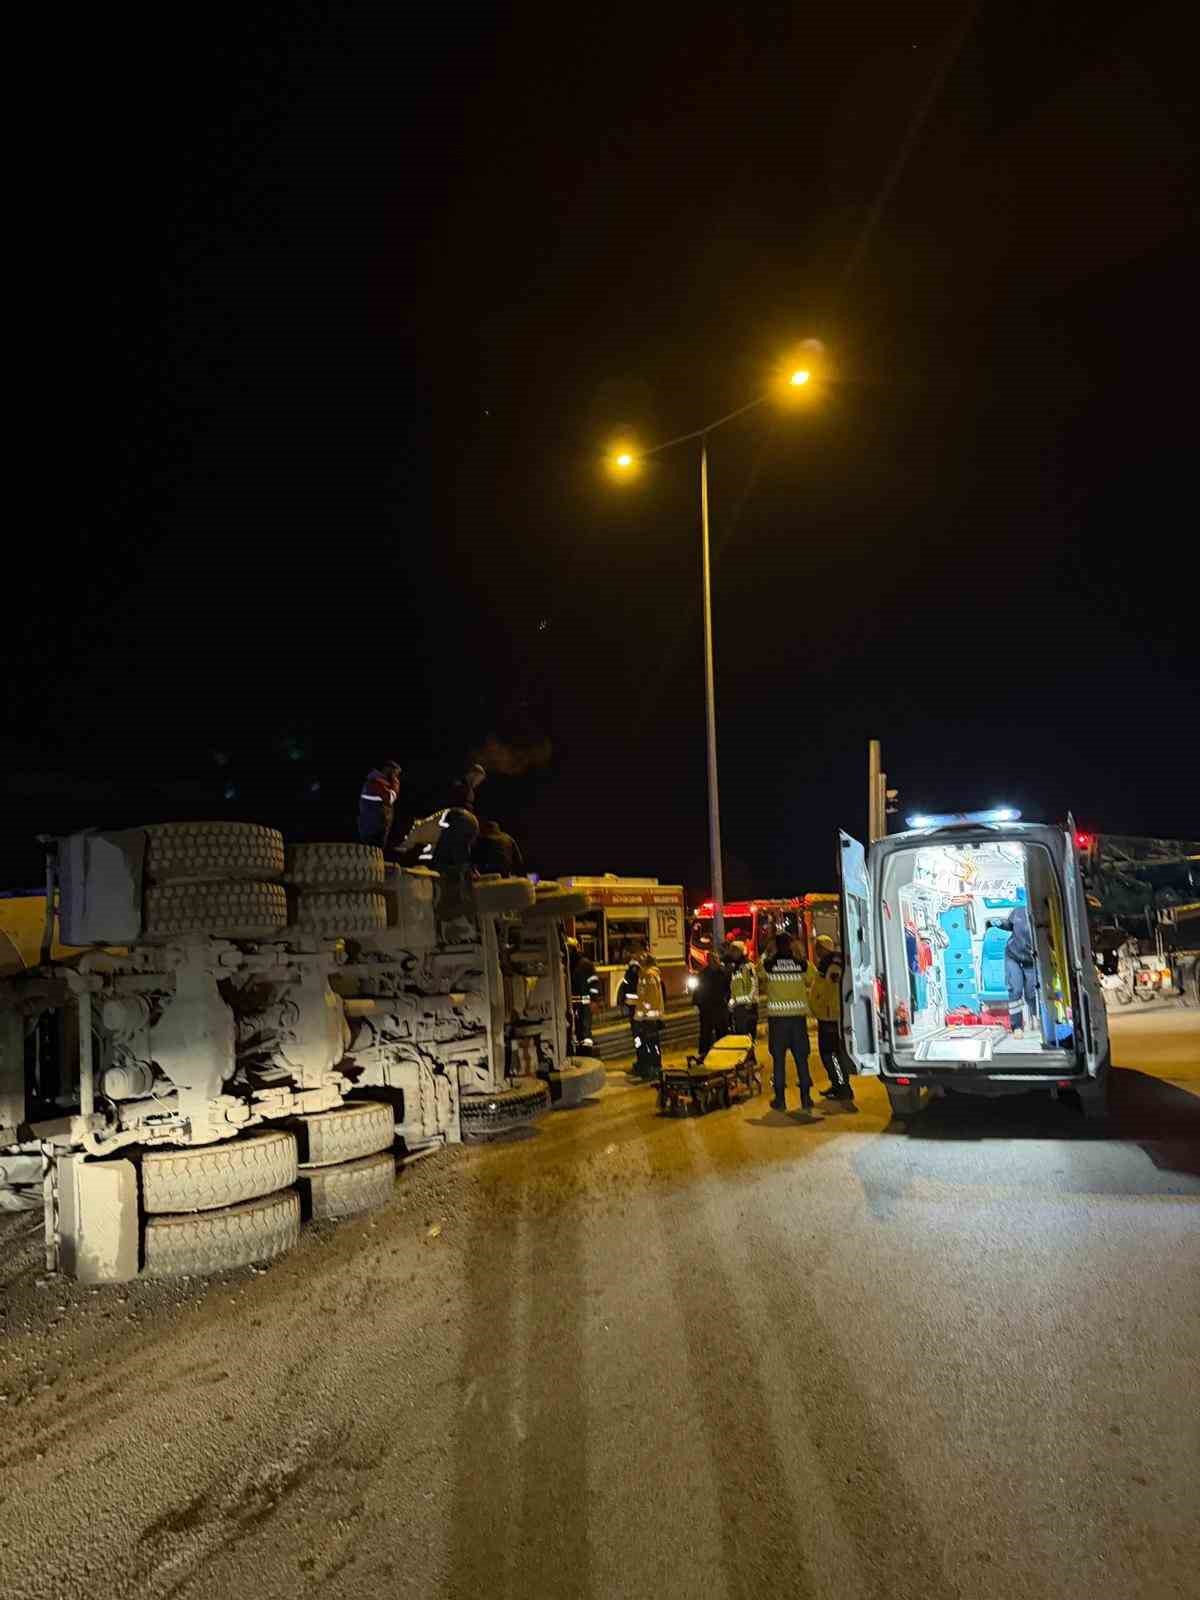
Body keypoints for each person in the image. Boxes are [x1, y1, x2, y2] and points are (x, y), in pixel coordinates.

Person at [760, 931, 814, 1112]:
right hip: (798, 1021)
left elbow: (757, 973)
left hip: (778, 1022)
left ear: (775, 946)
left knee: (778, 1061)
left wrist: (767, 953)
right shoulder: (802, 964)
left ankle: (780, 1100)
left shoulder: (768, 965)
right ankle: (806, 1098)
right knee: (801, 1059)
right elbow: (812, 978)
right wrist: (799, 954)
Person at [807, 934, 854, 1103]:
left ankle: (842, 1087)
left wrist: (818, 1005)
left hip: (830, 1016)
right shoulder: (835, 962)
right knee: (832, 1054)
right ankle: (838, 1085)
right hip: (832, 1015)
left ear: (823, 947)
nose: (816, 951)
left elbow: (827, 990)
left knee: (831, 1055)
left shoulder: (830, 964)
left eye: (817, 947)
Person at [988, 896, 1039, 1037]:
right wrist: (1000, 923)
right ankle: (1017, 1026)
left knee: (1031, 993)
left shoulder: (1043, 915)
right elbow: (1009, 925)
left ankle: (1036, 1017)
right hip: (1013, 956)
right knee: (1015, 990)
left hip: (1031, 960)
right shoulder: (1018, 911)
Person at [632, 951, 667, 1082]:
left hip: (647, 1019)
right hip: (648, 1018)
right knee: (651, 1044)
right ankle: (653, 1067)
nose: (639, 961)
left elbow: (650, 998)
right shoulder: (649, 974)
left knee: (651, 1044)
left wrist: (641, 1013)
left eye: (642, 959)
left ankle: (654, 1069)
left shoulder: (648, 975)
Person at [692, 950, 730, 1058]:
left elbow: (728, 988)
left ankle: (724, 1051)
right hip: (707, 1007)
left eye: (715, 959)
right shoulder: (703, 974)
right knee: (706, 1031)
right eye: (711, 960)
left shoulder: (723, 973)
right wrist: (697, 1003)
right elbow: (698, 990)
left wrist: (728, 1000)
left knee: (721, 1030)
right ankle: (704, 1052)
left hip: (719, 1006)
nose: (713, 961)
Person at [358, 760, 402, 850]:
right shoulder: (375, 783)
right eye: (395, 773)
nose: (396, 776)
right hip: (373, 828)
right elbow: (390, 798)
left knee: (374, 852)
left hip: (375, 826)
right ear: (389, 770)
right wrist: (395, 782)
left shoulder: (379, 783)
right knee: (372, 851)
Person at [568, 938, 602, 1055]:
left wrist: (594, 1000)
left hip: (585, 1004)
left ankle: (587, 1053)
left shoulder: (584, 964)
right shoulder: (570, 964)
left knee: (585, 1031)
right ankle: (581, 1052)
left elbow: (594, 982)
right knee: (578, 1031)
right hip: (575, 1004)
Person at [727, 941, 759, 1051]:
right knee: (740, 1036)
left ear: (741, 952)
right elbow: (733, 989)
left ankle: (750, 1056)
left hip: (748, 1007)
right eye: (732, 951)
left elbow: (754, 984)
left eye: (735, 951)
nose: (733, 953)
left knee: (749, 1036)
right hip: (738, 1008)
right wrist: (731, 1004)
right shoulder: (734, 969)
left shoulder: (748, 966)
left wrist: (749, 1002)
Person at [616, 944, 644, 1051]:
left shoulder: (629, 971)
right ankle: (640, 1044)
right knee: (639, 1024)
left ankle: (638, 1044)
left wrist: (623, 999)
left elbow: (626, 985)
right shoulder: (638, 970)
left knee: (634, 1024)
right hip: (638, 1002)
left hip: (632, 1002)